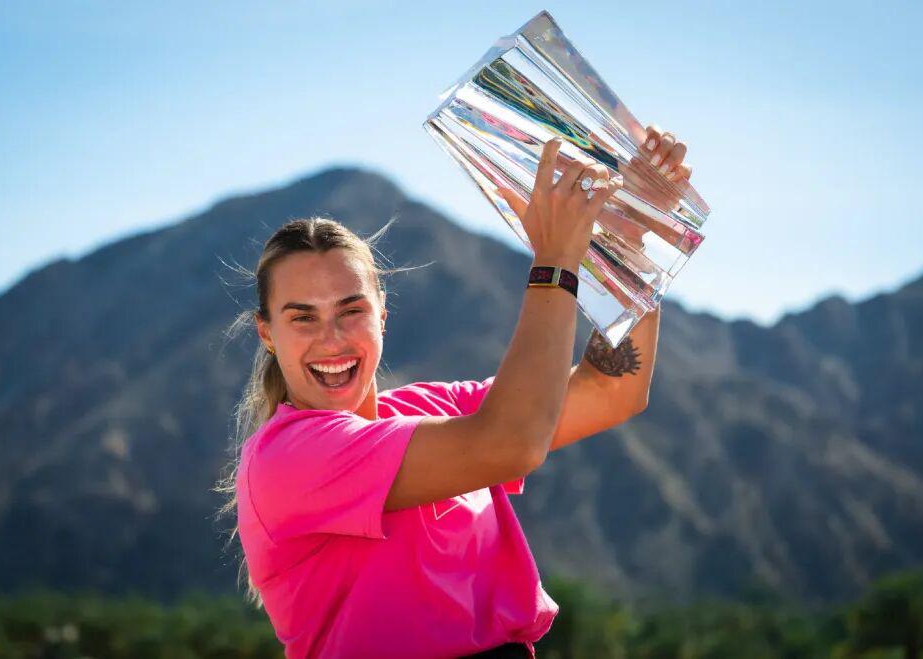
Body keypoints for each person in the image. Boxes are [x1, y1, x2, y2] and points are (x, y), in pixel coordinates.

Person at [219, 127, 689, 658]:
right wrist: (556, 261)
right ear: (267, 333)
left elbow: (612, 390)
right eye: (302, 317)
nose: (332, 339)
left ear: (382, 315)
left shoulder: (431, 409)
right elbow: (510, 443)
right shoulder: (287, 456)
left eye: (351, 310)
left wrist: (627, 242)